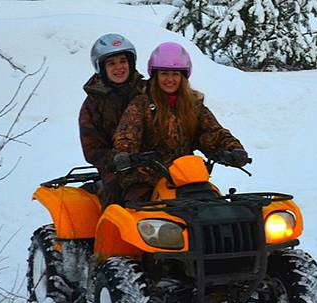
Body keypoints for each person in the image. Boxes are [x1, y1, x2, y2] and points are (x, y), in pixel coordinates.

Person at [112, 42, 250, 203]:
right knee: (137, 213)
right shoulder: (141, 104)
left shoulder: (192, 104)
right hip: (147, 177)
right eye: (164, 73)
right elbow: (128, 133)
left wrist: (233, 149)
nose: (170, 79)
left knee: (214, 205)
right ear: (156, 75)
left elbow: (212, 132)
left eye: (175, 74)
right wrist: (125, 154)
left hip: (186, 176)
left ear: (183, 77)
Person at [79, 33, 145, 207]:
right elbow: (92, 148)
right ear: (101, 67)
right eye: (112, 63)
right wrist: (117, 159)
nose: (119, 67)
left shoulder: (148, 91)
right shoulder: (93, 104)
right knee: (123, 207)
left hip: (157, 164)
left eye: (123, 61)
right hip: (118, 171)